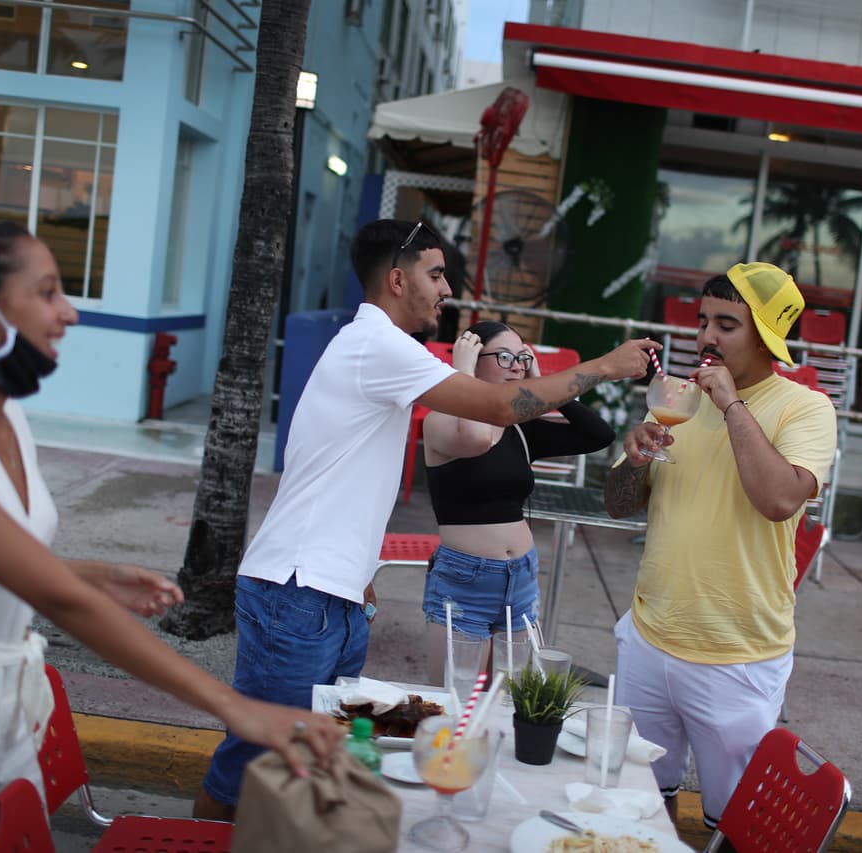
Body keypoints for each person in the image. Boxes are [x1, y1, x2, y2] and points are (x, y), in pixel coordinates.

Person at [0, 222, 344, 852]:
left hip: (5, 720)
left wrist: (92, 575)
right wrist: (235, 707)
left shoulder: (5, 417)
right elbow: (61, 604)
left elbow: (4, 561)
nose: (70, 313)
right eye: (48, 292)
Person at [195, 219, 658, 820]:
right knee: (251, 763)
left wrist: (357, 574)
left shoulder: (381, 350)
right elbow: (496, 406)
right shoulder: (377, 345)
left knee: (311, 760)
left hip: (331, 593)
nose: (447, 290)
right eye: (436, 275)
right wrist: (605, 365)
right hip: (296, 593)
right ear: (395, 280)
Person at [602, 262, 837, 829]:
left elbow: (781, 500)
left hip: (738, 657)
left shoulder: (807, 408)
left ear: (765, 336)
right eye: (703, 321)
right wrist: (632, 460)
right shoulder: (678, 398)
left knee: (730, 822)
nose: (706, 337)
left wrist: (733, 405)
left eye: (727, 324)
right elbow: (617, 503)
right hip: (649, 636)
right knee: (637, 800)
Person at [421, 320, 615, 683]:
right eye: (505, 356)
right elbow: (477, 437)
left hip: (521, 578)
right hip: (465, 581)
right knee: (453, 707)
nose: (517, 365)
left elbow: (598, 435)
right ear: (475, 358)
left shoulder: (521, 428)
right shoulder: (441, 422)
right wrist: (461, 375)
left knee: (511, 704)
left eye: (523, 358)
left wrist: (545, 387)